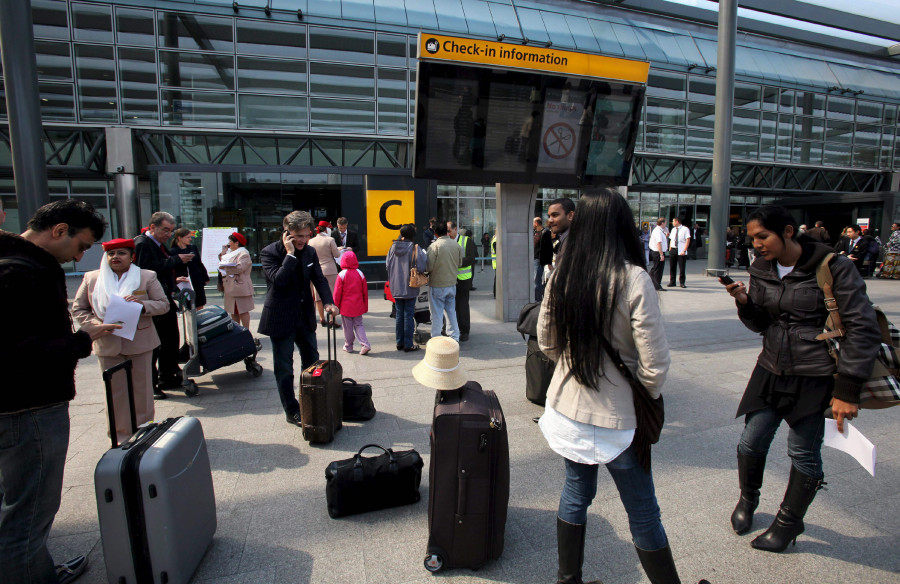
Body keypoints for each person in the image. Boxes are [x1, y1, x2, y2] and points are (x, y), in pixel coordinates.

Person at [536, 190, 699, 584]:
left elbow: (547, 340)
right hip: (620, 418)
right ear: (621, 226)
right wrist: (637, 392)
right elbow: (655, 362)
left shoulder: (564, 271)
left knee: (576, 494)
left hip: (568, 408)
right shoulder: (633, 278)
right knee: (642, 508)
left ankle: (567, 580)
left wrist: (576, 369)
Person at [721, 205, 880, 553]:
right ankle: (748, 501)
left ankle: (788, 523)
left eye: (762, 236)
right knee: (751, 441)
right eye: (752, 238)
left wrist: (847, 390)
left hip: (815, 375)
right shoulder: (761, 268)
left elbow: (863, 329)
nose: (756, 244)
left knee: (803, 454)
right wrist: (746, 302)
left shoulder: (834, 267)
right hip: (770, 368)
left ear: (788, 232)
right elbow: (761, 323)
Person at [0, 199, 119, 584]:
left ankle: (37, 568)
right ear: (59, 230)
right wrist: (79, 341)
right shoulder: (21, 273)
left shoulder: (16, 263)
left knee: (19, 504)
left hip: (20, 404)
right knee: (29, 509)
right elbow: (20, 352)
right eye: (82, 245)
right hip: (28, 406)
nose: (80, 255)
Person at [72, 238, 170, 444]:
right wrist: (96, 324)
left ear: (131, 256)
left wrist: (143, 305)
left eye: (121, 253)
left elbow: (163, 305)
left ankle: (144, 435)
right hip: (107, 343)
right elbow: (79, 308)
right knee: (115, 395)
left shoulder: (146, 276)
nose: (115, 257)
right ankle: (121, 438)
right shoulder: (92, 278)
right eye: (111, 254)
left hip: (139, 343)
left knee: (142, 394)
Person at [258, 211, 339, 428]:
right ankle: (291, 410)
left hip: (304, 317)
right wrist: (290, 254)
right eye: (297, 236)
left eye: (306, 234)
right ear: (287, 233)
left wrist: (329, 301)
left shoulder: (311, 251)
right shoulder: (269, 252)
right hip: (281, 318)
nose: (302, 240)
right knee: (284, 368)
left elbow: (319, 279)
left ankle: (312, 401)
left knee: (312, 362)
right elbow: (280, 281)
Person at [134, 212, 193, 399]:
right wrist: (176, 260)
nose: (168, 234)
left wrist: (174, 279)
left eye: (170, 231)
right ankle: (151, 385)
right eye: (164, 230)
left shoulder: (157, 244)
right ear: (152, 227)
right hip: (152, 304)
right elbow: (147, 270)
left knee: (169, 340)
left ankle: (167, 375)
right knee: (155, 345)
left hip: (163, 300)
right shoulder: (143, 243)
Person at [386, 224, 427, 352]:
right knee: (408, 315)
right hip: (410, 286)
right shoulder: (415, 248)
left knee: (399, 314)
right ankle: (408, 344)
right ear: (412, 235)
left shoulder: (392, 248)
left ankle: (399, 342)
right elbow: (422, 266)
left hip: (396, 286)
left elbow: (387, 265)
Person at [427, 220, 462, 343]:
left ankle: (436, 338)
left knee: (437, 314)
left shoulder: (434, 246)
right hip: (452, 283)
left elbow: (429, 267)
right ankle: (454, 337)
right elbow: (460, 263)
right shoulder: (456, 245)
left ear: (435, 233)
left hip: (437, 284)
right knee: (451, 312)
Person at [333, 250, 370, 354]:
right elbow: (365, 292)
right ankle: (365, 344)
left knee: (347, 327)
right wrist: (365, 306)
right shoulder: (360, 273)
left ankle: (349, 346)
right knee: (359, 324)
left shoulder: (341, 274)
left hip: (346, 307)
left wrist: (336, 306)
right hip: (358, 305)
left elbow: (337, 293)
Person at [309, 220, 342, 328]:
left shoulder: (311, 241)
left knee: (318, 296)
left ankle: (322, 318)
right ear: (327, 229)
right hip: (330, 270)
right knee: (332, 295)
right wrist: (339, 249)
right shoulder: (330, 240)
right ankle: (332, 319)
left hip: (316, 270)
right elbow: (337, 255)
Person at [170, 228, 210, 309]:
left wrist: (205, 276)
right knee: (187, 304)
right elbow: (172, 267)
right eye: (187, 237)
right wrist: (175, 279)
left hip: (196, 279)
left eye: (190, 237)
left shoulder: (192, 248)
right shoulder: (173, 251)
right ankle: (190, 320)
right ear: (179, 238)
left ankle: (198, 319)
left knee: (199, 302)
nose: (190, 239)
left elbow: (199, 263)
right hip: (184, 280)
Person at [450, 221, 476, 342]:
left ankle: (464, 331)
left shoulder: (466, 241)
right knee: (450, 307)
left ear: (456, 229)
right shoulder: (446, 242)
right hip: (449, 279)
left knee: (462, 307)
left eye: (449, 231)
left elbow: (471, 258)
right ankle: (452, 330)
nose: (448, 233)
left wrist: (457, 262)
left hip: (463, 280)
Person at [667, 217, 690, 288]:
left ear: (677, 221)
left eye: (673, 221)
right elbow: (671, 239)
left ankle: (682, 282)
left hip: (681, 250)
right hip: (673, 249)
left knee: (682, 267)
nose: (672, 222)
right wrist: (670, 247)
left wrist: (684, 250)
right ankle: (672, 281)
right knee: (672, 267)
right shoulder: (673, 229)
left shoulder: (685, 229)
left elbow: (687, 240)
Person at [648, 217, 668, 291]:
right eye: (665, 222)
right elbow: (658, 243)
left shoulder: (660, 231)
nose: (666, 224)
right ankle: (657, 285)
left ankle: (649, 280)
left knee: (655, 268)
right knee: (658, 269)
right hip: (657, 252)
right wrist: (661, 254)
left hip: (658, 252)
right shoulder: (658, 231)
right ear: (662, 223)